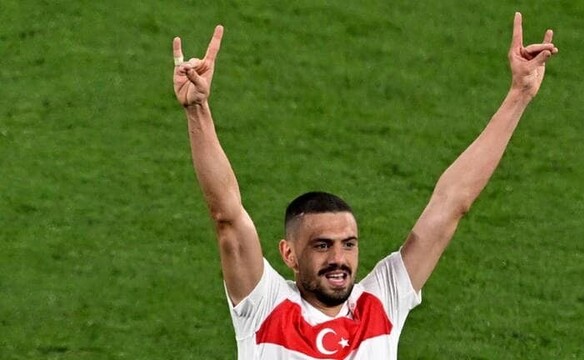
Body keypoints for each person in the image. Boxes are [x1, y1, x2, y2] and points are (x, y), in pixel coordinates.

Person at [171, 12, 558, 360]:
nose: (339, 259)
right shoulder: (264, 305)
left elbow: (452, 202)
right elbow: (227, 215)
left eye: (348, 244)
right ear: (288, 254)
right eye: (322, 245)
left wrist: (519, 95)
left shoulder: (381, 300)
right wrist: (198, 109)